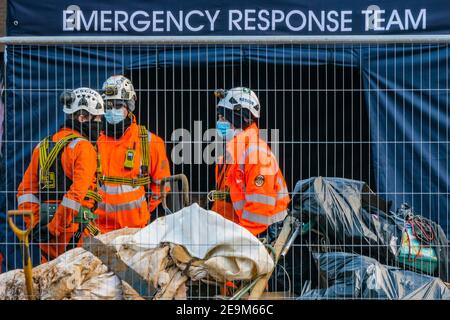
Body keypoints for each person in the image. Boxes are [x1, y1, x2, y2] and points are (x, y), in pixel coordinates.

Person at [16, 87, 105, 262]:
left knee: (49, 283)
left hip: (45, 235)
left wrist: (35, 225)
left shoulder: (42, 146)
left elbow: (25, 192)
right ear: (83, 118)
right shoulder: (83, 147)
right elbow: (76, 195)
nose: (100, 125)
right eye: (98, 119)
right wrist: (53, 228)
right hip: (76, 233)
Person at [209, 87, 290, 238]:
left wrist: (238, 241)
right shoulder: (234, 152)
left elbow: (258, 212)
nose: (219, 122)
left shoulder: (257, 154)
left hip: (265, 234)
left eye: (223, 118)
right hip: (240, 229)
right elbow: (226, 202)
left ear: (239, 117)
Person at [95, 75, 171, 233]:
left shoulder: (151, 142)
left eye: (118, 105)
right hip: (97, 229)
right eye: (108, 105)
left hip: (136, 230)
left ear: (129, 106)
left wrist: (143, 212)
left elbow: (163, 186)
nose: (112, 110)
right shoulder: (92, 142)